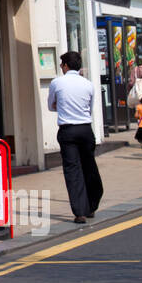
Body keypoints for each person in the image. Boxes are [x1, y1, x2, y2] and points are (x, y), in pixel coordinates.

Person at [48, 50, 103, 224]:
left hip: (67, 130)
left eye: (61, 64)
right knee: (89, 166)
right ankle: (92, 204)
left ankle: (79, 212)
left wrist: (63, 106)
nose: (60, 67)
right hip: (86, 129)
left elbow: (51, 105)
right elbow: (90, 106)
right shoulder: (88, 84)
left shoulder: (57, 83)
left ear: (65, 65)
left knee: (72, 170)